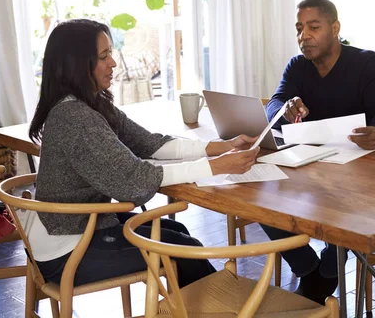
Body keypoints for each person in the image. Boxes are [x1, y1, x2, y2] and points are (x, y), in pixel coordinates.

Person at [26, 19, 259, 287]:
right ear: (76, 65)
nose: (113, 62)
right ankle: (222, 310)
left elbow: (149, 144)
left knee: (177, 232)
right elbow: (134, 180)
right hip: (66, 253)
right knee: (184, 251)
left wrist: (221, 147)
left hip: (79, 229)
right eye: (103, 56)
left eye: (110, 53)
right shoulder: (75, 117)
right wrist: (216, 166)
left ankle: (197, 309)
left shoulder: (89, 104)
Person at [262, 0, 375, 303]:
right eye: (299, 28)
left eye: (313, 27)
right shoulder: (298, 66)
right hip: (310, 167)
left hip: (359, 171)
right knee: (259, 197)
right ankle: (310, 268)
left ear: (334, 28)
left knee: (345, 204)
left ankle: (327, 270)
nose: (303, 36)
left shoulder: (366, 63)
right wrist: (284, 108)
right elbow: (274, 103)